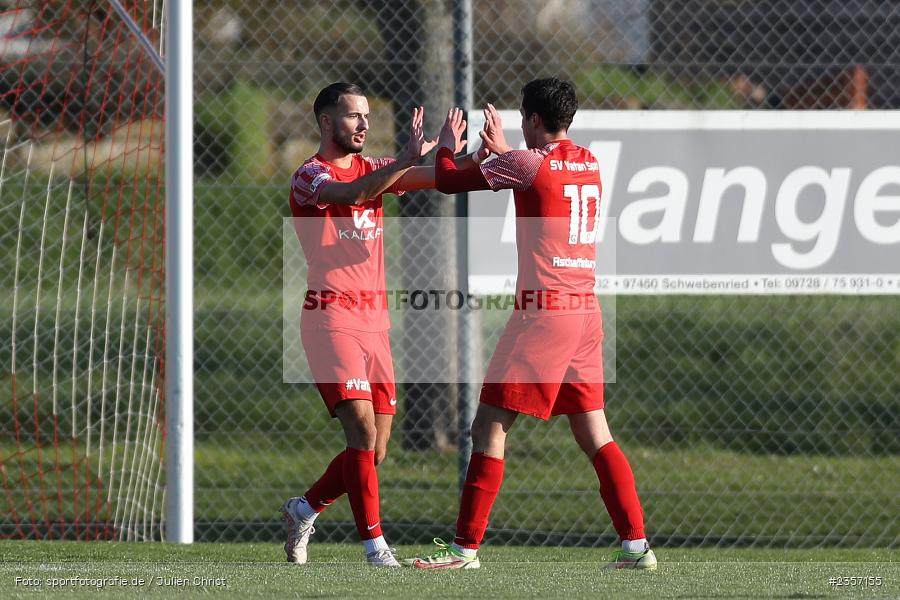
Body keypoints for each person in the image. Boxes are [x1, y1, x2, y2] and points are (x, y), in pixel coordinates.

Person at [408, 78, 657, 570]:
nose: (521, 126)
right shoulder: (588, 161)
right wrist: (499, 153)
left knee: (489, 425)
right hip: (584, 312)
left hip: (543, 314)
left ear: (535, 121)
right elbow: (536, 178)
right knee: (595, 433)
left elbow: (451, 180)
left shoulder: (529, 163)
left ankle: (464, 549)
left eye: (524, 118)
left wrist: (449, 149)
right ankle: (636, 546)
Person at [282, 82, 483, 567]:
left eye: (367, 116)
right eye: (353, 116)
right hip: (331, 319)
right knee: (362, 433)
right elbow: (353, 192)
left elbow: (433, 178)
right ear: (326, 122)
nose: (364, 125)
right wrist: (405, 161)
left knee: (376, 451)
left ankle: (303, 508)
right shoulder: (309, 176)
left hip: (375, 324)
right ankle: (376, 549)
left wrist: (479, 160)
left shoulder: (376, 167)